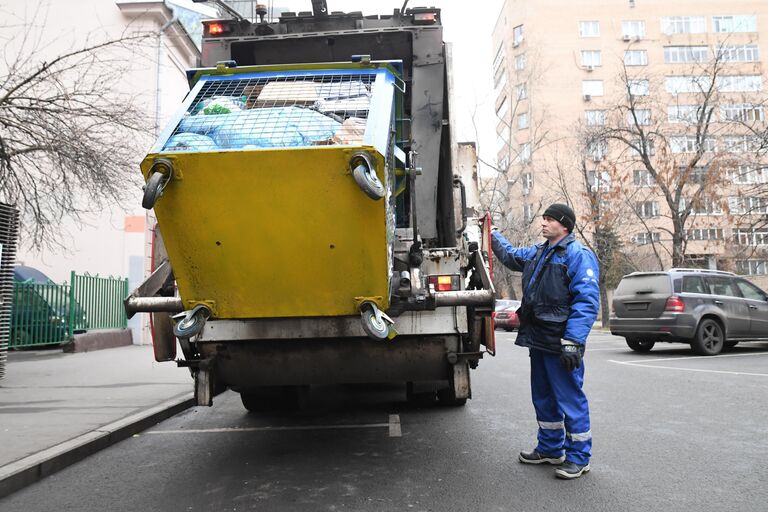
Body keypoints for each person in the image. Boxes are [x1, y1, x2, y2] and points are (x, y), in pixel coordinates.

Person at [491, 203, 599, 480]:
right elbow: (512, 256)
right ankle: (550, 449)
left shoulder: (577, 255)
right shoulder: (540, 252)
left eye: (549, 219)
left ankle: (578, 458)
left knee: (569, 399)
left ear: (564, 225)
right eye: (543, 218)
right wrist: (491, 233)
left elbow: (586, 301)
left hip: (561, 342)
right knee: (543, 396)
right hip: (538, 338)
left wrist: (573, 341)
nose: (543, 223)